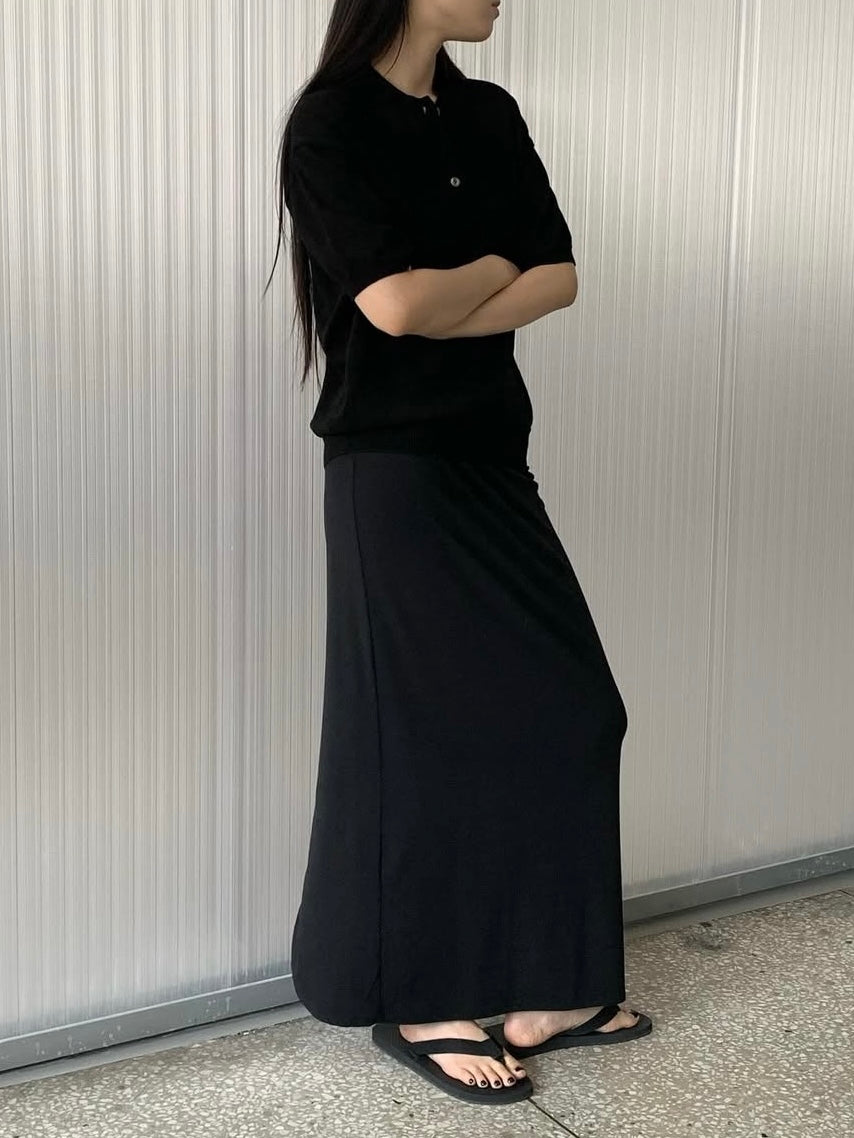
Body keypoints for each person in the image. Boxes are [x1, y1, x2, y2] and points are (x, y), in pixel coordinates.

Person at [265, 0, 652, 1107]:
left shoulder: (487, 114)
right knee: (415, 741)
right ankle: (419, 997)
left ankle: (552, 986)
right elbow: (392, 307)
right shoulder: (331, 123)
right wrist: (491, 263)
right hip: (390, 469)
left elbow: (558, 275)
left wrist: (455, 290)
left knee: (575, 709)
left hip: (490, 458)